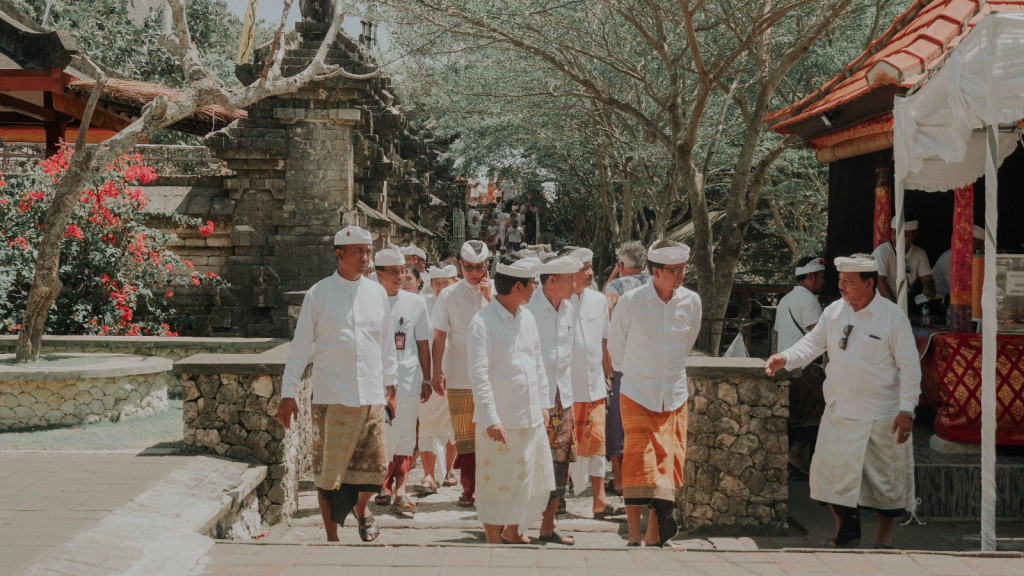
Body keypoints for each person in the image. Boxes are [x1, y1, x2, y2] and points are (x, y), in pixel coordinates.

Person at [765, 254, 920, 549]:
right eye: (840, 280)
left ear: (870, 283)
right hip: (839, 411)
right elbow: (812, 343)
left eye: (849, 281)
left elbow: (910, 366)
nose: (841, 286)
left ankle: (884, 539)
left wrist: (907, 409)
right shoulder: (834, 311)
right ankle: (846, 534)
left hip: (881, 414)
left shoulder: (892, 316)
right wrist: (785, 357)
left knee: (885, 483)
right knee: (832, 479)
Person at [278, 225, 397, 543]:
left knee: (376, 470)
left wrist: (391, 387)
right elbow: (300, 347)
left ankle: (361, 508)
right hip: (331, 396)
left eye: (368, 251)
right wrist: (288, 392)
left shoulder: (376, 293)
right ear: (339, 254)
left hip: (371, 395)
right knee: (328, 474)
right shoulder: (319, 294)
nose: (365, 258)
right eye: (358, 252)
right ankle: (332, 539)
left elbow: (386, 344)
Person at [607, 239, 700, 548]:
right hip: (637, 392)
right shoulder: (631, 301)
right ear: (655, 272)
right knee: (638, 463)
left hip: (674, 394)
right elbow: (616, 348)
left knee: (670, 461)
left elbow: (687, 344)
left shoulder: (691, 302)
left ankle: (654, 534)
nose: (681, 275)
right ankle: (634, 534)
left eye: (683, 269)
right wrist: (637, 374)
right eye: (674, 270)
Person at [468, 257, 555, 544]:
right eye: (532, 283)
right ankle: (494, 542)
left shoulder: (527, 317)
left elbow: (537, 364)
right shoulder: (483, 322)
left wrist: (543, 404)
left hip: (529, 416)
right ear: (517, 286)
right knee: (496, 484)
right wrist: (491, 418)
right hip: (500, 420)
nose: (535, 288)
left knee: (528, 480)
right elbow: (479, 375)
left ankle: (514, 531)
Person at [430, 240, 493, 507]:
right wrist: (436, 371)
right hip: (458, 373)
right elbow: (439, 335)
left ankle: (491, 488)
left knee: (490, 433)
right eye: (469, 267)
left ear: (487, 265)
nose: (474, 273)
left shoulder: (497, 293)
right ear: (460, 265)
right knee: (465, 437)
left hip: (491, 375)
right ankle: (469, 488)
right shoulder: (449, 295)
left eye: (479, 267)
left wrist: (490, 299)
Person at [526, 255, 582, 545]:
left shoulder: (569, 308)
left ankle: (548, 526)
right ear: (551, 281)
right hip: (535, 398)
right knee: (528, 462)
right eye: (569, 279)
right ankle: (515, 525)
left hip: (563, 397)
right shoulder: (528, 309)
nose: (575, 284)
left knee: (560, 464)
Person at [372, 249, 432, 516]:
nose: (400, 276)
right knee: (383, 435)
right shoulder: (368, 300)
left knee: (406, 436)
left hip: (408, 380)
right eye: (394, 272)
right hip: (375, 381)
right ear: (379, 274)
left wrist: (427, 378)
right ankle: (381, 485)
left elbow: (422, 343)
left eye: (403, 271)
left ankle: (401, 489)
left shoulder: (416, 303)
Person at [566, 247, 624, 520]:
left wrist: (609, 375)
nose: (590, 273)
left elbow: (604, 341)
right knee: (562, 446)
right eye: (585, 268)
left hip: (593, 386)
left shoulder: (599, 301)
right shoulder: (557, 300)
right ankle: (557, 500)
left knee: (597, 445)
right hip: (564, 388)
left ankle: (599, 501)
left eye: (591, 267)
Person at [774, 256, 827, 480]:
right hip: (808, 368)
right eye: (821, 277)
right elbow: (818, 334)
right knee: (812, 418)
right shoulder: (808, 300)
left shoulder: (785, 300)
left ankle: (792, 458)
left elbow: (778, 332)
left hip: (789, 366)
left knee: (796, 417)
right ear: (812, 276)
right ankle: (795, 456)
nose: (823, 281)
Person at [602, 240, 648, 496]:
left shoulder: (618, 285)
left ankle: (620, 479)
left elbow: (607, 300)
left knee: (617, 422)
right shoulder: (654, 284)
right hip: (650, 364)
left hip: (624, 364)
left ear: (621, 265)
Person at [419, 265, 460, 491]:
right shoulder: (423, 305)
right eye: (437, 283)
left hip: (458, 372)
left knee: (453, 425)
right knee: (428, 424)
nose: (441, 288)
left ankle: (449, 470)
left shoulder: (464, 302)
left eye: (446, 283)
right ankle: (428, 474)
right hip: (429, 372)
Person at [873, 216, 935, 305]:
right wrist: (895, 307)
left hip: (905, 300)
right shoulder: (882, 251)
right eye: (895, 233)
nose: (898, 238)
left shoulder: (920, 253)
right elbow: (880, 281)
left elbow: (927, 278)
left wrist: (928, 288)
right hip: (883, 301)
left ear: (914, 235)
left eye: (904, 235)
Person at [932, 225, 985, 303]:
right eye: (978, 244)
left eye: (983, 245)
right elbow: (955, 290)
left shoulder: (976, 258)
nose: (982, 248)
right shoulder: (948, 258)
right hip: (937, 301)